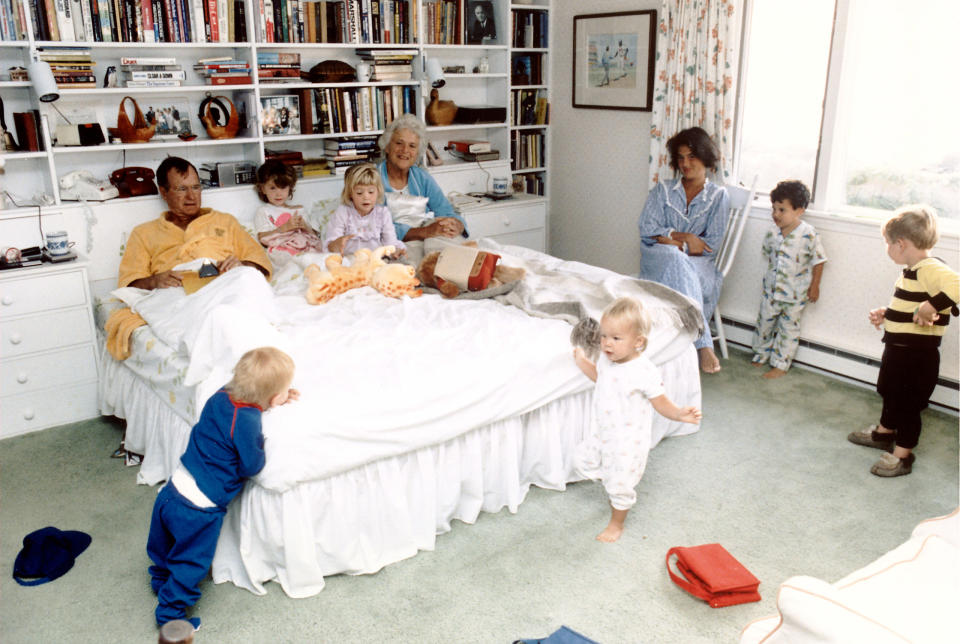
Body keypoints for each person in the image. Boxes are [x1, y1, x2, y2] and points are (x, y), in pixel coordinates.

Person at [147, 347, 298, 629]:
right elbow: (252, 466)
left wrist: (275, 393)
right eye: (284, 391)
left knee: (163, 543)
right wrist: (261, 441)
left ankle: (159, 579)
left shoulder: (221, 396)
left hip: (174, 488)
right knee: (191, 562)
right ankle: (170, 616)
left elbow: (252, 391)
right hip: (200, 507)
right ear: (272, 397)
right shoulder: (247, 420)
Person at [573, 298, 702, 543]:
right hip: (603, 430)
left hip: (627, 441)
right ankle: (609, 476)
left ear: (638, 342)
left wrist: (678, 413)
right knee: (582, 460)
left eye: (616, 338)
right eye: (604, 336)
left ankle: (616, 523)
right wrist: (582, 362)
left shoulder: (643, 371)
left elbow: (660, 401)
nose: (607, 344)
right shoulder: (606, 359)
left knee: (620, 485)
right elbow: (601, 378)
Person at [847, 205, 958, 477]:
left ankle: (902, 456)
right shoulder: (912, 271)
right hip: (898, 348)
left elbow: (958, 286)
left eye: (887, 243)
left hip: (918, 355)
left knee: (908, 403)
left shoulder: (930, 268)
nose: (887, 249)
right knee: (889, 389)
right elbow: (910, 306)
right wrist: (888, 314)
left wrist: (932, 307)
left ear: (900, 243)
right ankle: (885, 432)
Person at [637, 127, 731, 374]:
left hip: (697, 263)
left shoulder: (718, 197)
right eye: (680, 158)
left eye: (691, 156)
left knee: (677, 258)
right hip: (658, 257)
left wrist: (669, 238)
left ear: (705, 157)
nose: (685, 163)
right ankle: (703, 342)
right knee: (670, 255)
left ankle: (689, 340)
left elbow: (710, 246)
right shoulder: (664, 190)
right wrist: (687, 238)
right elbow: (646, 228)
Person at [118, 157, 272, 289]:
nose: (191, 197)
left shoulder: (225, 222)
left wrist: (242, 265)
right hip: (175, 296)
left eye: (196, 187)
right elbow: (128, 285)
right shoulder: (143, 233)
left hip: (225, 288)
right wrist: (154, 281)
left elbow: (261, 263)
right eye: (182, 189)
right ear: (164, 192)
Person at [750, 180, 827, 379]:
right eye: (773, 208)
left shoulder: (808, 234)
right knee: (764, 323)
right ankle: (761, 354)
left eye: (782, 210)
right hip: (771, 291)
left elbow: (819, 260)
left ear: (799, 210)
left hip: (796, 294)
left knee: (788, 330)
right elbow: (768, 256)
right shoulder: (772, 233)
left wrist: (815, 286)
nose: (775, 214)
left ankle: (781, 364)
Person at [377, 113, 467, 243]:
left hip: (425, 240)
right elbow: (374, 228)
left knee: (457, 246)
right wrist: (424, 232)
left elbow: (446, 211)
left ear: (417, 152)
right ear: (387, 146)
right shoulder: (370, 178)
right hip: (392, 245)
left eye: (412, 146)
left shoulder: (421, 176)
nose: (405, 150)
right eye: (399, 143)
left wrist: (457, 225)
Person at [324, 162, 406, 257]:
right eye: (359, 193)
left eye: (371, 192)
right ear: (350, 193)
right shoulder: (343, 212)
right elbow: (332, 243)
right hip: (350, 259)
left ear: (378, 191)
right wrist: (336, 244)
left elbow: (390, 242)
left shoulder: (383, 213)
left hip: (376, 259)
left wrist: (394, 252)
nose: (366, 197)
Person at [253, 159, 324, 257]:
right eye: (273, 188)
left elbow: (314, 236)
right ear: (263, 189)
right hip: (282, 250)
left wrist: (305, 226)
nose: (278, 193)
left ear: (290, 188)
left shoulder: (299, 210)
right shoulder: (264, 211)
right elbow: (262, 238)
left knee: (317, 253)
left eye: (283, 187)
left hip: (304, 247)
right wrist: (284, 228)